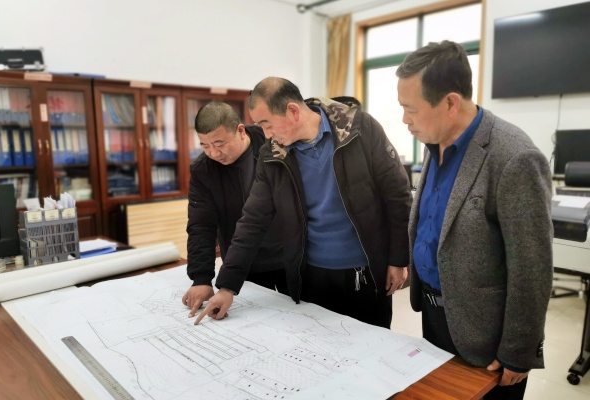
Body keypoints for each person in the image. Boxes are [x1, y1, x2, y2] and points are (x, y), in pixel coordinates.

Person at [396, 41, 553, 399]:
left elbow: (532, 267)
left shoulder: (514, 156)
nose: (405, 120)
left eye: (410, 109)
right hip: (434, 315)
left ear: (450, 103)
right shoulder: (434, 139)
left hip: (487, 336)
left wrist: (519, 350)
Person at [194, 77, 412, 329]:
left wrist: (399, 258)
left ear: (293, 111)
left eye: (266, 124)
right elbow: (253, 219)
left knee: (372, 344)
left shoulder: (360, 129)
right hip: (311, 276)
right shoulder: (272, 154)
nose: (266, 134)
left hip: (366, 271)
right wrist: (227, 286)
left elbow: (397, 195)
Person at [182, 101, 288, 317]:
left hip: (289, 257)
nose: (213, 153)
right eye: (205, 146)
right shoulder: (204, 170)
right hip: (243, 263)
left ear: (240, 131)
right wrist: (201, 278)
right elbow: (201, 225)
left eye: (219, 143)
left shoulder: (275, 147)